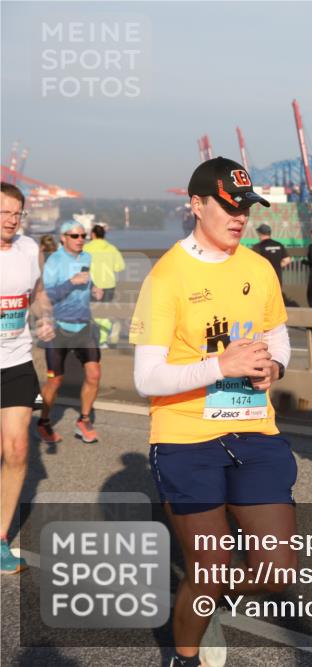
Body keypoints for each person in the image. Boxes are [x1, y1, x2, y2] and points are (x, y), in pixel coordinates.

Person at [130, 156, 296, 667]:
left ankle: (208, 593)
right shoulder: (167, 276)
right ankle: (184, 656)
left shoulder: (258, 267)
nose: (239, 216)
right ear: (196, 204)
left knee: (278, 573)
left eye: (245, 206)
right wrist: (219, 363)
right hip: (186, 438)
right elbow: (146, 378)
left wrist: (276, 370)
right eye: (228, 206)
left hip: (253, 432)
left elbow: (277, 338)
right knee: (209, 568)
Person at [0, 182, 54, 574]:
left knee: (17, 450)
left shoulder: (28, 249)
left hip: (17, 360)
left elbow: (37, 293)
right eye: (4, 212)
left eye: (17, 214)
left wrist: (44, 316)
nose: (11, 220)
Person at [36, 220, 103, 445]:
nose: (80, 239)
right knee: (55, 381)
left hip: (83, 325)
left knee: (94, 374)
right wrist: (70, 282)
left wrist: (94, 289)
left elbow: (86, 284)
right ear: (63, 238)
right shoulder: (54, 261)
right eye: (74, 236)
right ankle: (44, 421)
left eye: (83, 235)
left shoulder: (86, 258)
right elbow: (46, 295)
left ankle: (84, 420)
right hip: (58, 328)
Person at [83, 223, 126, 347]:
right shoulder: (112, 248)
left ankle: (99, 340)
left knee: (93, 313)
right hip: (108, 285)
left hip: (92, 285)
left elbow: (80, 267)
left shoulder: (86, 248)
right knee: (104, 312)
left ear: (93, 234)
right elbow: (120, 267)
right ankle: (104, 339)